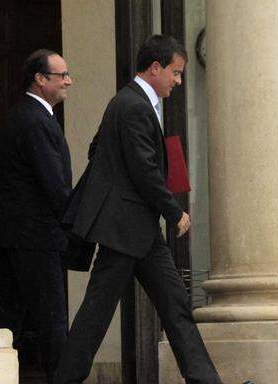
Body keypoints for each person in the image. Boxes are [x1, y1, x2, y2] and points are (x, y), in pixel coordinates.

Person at [54, 35, 222, 384]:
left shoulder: (129, 103)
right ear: (155, 67)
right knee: (96, 314)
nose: (177, 82)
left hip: (138, 231)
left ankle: (206, 380)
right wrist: (174, 211)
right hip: (124, 231)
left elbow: (97, 149)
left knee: (175, 306)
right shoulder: (132, 105)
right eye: (175, 73)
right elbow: (143, 170)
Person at [0, 49, 73, 383]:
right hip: (36, 238)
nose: (69, 81)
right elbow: (53, 183)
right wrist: (75, 221)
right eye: (61, 75)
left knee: (9, 320)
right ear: (40, 80)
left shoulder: (26, 116)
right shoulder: (34, 120)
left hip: (18, 236)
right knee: (52, 321)